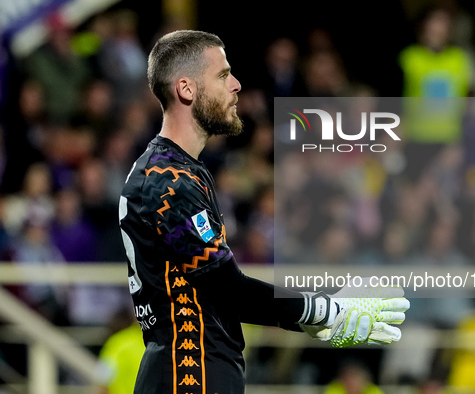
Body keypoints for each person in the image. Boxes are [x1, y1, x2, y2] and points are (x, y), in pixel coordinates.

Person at [119, 30, 410, 393]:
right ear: (186, 89)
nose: (237, 85)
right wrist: (324, 313)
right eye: (223, 75)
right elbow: (227, 288)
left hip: (197, 370)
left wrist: (314, 315)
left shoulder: (179, 170)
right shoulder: (169, 182)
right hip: (189, 375)